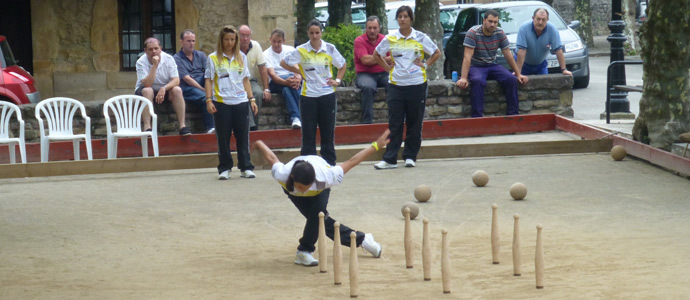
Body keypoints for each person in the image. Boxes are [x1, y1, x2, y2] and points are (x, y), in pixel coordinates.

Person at [252, 129, 391, 266]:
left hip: (320, 191)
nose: (304, 191)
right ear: (292, 178)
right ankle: (363, 239)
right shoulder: (282, 174)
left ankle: (304, 251)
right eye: (301, 187)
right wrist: (259, 143)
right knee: (320, 221)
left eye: (307, 187)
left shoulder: (326, 177)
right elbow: (272, 158)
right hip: (293, 193)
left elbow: (352, 161)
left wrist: (376, 146)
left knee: (317, 216)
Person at [372, 5, 441, 169]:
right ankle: (390, 159)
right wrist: (387, 69)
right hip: (396, 85)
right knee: (395, 122)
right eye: (400, 16)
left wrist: (425, 64)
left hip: (417, 84)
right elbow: (376, 54)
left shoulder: (420, 37)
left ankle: (410, 156)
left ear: (411, 19)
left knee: (414, 121)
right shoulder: (391, 38)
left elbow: (436, 52)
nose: (402, 19)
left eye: (405, 16)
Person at [281, 20, 346, 166]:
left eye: (317, 33)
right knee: (308, 132)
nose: (315, 36)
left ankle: (329, 162)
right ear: (307, 34)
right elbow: (284, 63)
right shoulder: (302, 50)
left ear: (321, 33)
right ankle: (307, 163)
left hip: (327, 94)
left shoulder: (329, 48)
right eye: (311, 33)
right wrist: (299, 71)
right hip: (308, 96)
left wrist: (337, 80)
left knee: (327, 131)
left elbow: (342, 65)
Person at [204, 25, 258, 180]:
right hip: (221, 102)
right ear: (221, 40)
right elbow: (208, 80)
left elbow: (245, 79)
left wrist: (251, 99)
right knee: (223, 137)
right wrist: (209, 100)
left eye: (232, 39)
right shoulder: (213, 58)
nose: (229, 42)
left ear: (236, 41)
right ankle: (225, 167)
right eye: (226, 39)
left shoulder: (242, 57)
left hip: (240, 102)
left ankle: (246, 167)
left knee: (243, 136)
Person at [456, 10, 528, 118]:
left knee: (511, 80)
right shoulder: (473, 32)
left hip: (492, 64)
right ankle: (477, 117)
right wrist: (463, 78)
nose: (492, 24)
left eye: (495, 22)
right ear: (484, 20)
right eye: (490, 21)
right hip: (476, 65)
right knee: (478, 81)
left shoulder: (499, 33)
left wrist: (518, 74)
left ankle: (513, 116)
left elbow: (507, 54)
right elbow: (467, 56)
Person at [135, 37, 190, 135]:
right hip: (145, 90)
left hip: (164, 89)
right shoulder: (141, 62)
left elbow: (176, 80)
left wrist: (164, 88)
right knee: (148, 90)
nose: (154, 51)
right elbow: (147, 83)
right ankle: (147, 127)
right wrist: (154, 66)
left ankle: (182, 126)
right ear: (145, 51)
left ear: (161, 48)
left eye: (156, 48)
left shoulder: (169, 59)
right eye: (150, 49)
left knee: (177, 90)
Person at [173, 29, 215, 134]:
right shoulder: (176, 58)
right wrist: (204, 90)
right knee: (206, 98)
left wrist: (211, 88)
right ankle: (210, 127)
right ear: (181, 42)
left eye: (193, 41)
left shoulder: (201, 55)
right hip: (187, 86)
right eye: (188, 41)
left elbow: (209, 73)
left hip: (202, 81)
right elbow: (186, 78)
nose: (191, 44)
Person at [263, 28, 303, 129]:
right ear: (270, 40)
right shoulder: (266, 54)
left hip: (291, 81)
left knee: (286, 90)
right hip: (276, 82)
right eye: (274, 41)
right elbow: (272, 75)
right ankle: (305, 113)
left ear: (283, 41)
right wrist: (287, 81)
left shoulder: (290, 50)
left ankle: (296, 118)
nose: (276, 44)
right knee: (290, 83)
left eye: (279, 41)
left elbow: (297, 68)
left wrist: (298, 78)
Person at [354, 16, 391, 124]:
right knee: (368, 87)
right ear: (366, 28)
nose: (372, 31)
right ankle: (367, 123)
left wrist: (376, 59)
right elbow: (365, 60)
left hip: (384, 72)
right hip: (365, 74)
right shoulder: (359, 41)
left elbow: (392, 59)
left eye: (375, 28)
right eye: (369, 28)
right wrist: (384, 58)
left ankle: (397, 119)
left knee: (395, 84)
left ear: (379, 28)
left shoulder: (385, 39)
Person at [515, 8, 573, 77]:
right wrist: (518, 73)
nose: (540, 22)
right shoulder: (524, 28)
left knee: (544, 86)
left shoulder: (552, 29)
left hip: (540, 65)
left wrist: (564, 69)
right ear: (533, 18)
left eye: (543, 20)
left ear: (547, 20)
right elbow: (522, 51)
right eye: (538, 19)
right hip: (523, 64)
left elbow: (558, 50)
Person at [239, 25, 271, 131]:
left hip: (250, 80)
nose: (245, 38)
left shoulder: (256, 46)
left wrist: (266, 89)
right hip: (236, 82)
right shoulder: (233, 47)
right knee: (243, 95)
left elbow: (262, 68)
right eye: (242, 36)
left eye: (247, 36)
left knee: (257, 93)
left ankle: (254, 128)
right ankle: (249, 126)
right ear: (238, 36)